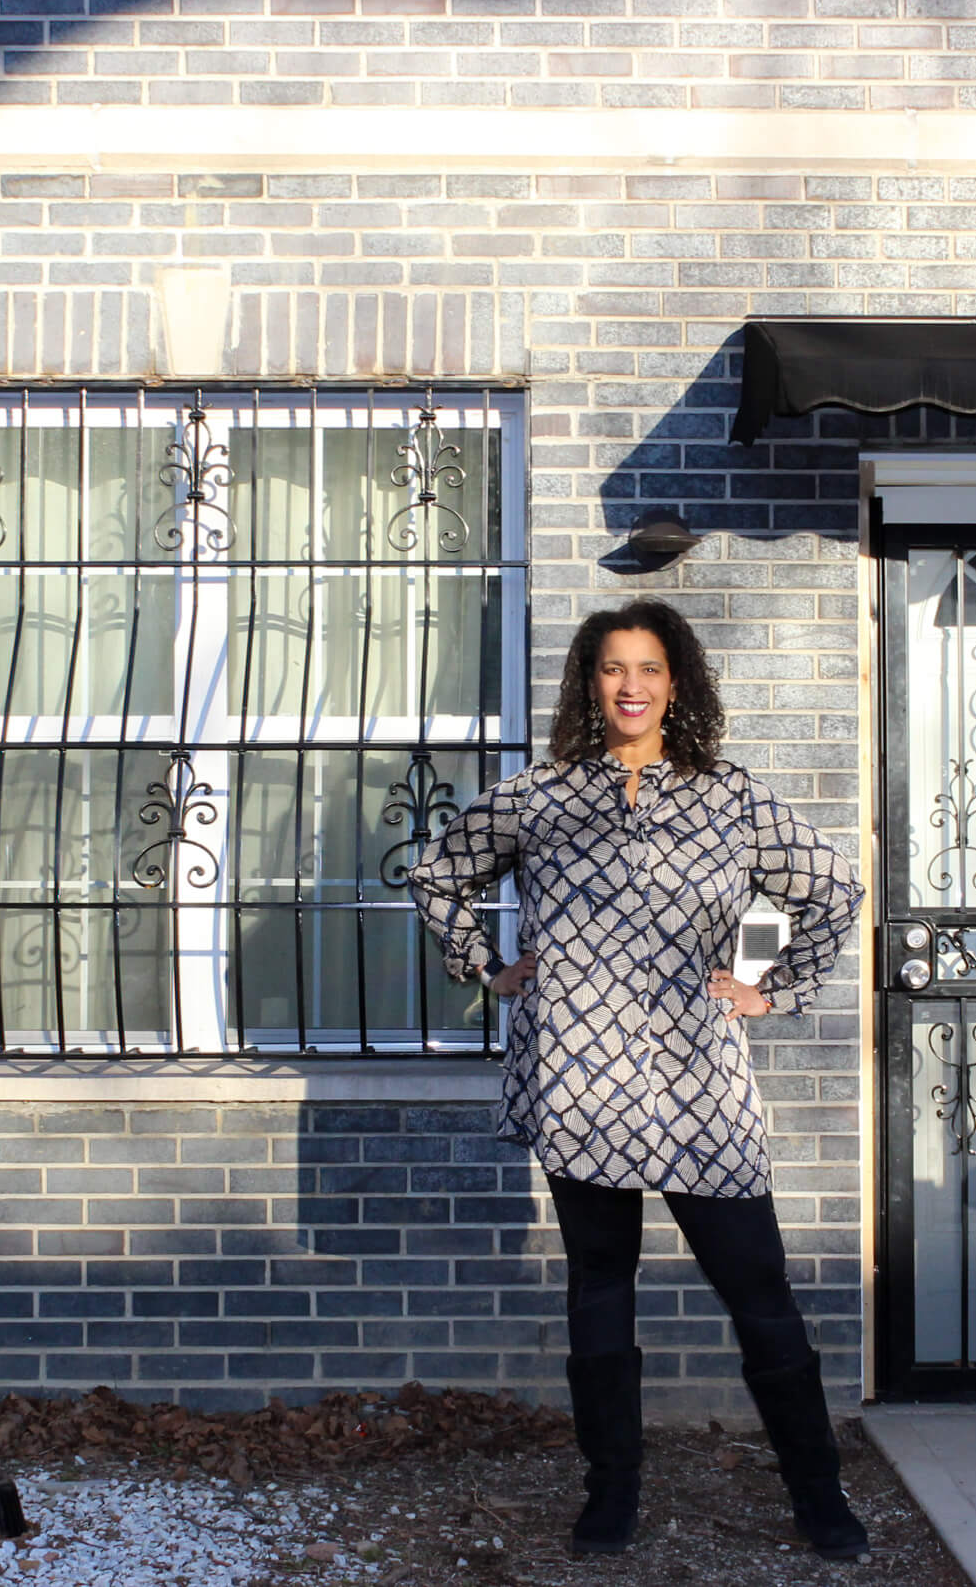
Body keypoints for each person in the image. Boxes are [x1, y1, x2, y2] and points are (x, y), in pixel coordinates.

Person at [405, 598, 869, 1561]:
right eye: (612, 667)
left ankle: (820, 1497)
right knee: (600, 1289)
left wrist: (761, 985)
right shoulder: (539, 799)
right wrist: (489, 967)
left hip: (698, 1077)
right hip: (581, 1074)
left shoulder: (729, 796)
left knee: (760, 1289)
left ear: (675, 683)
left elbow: (827, 888)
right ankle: (610, 1496)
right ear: (588, 682)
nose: (630, 685)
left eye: (649, 668)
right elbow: (436, 873)